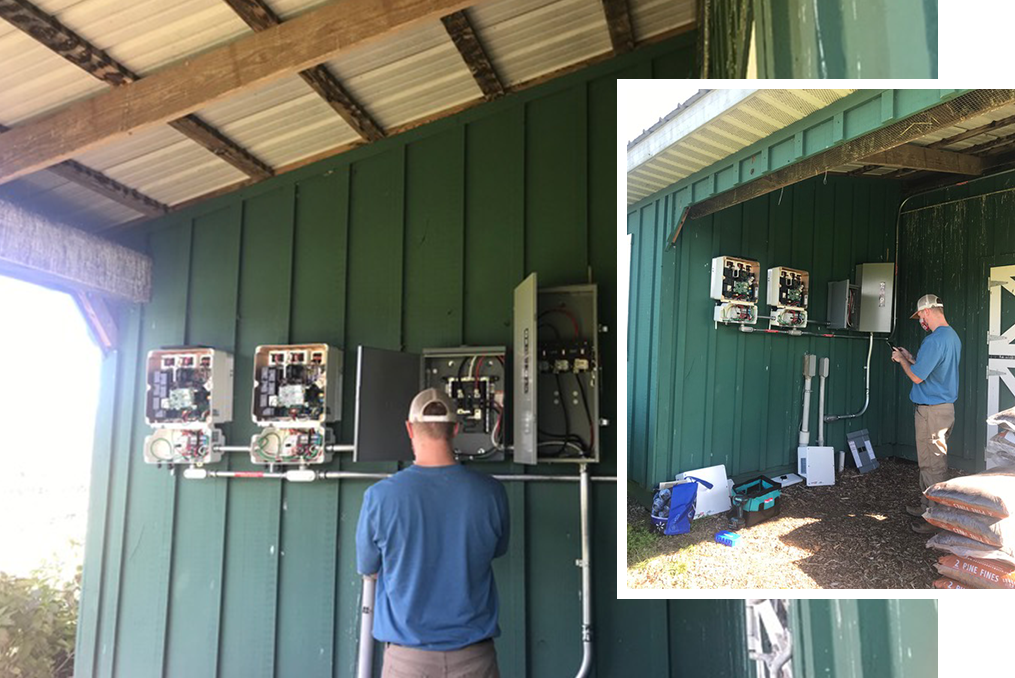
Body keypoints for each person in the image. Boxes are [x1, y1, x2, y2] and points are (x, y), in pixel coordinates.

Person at [356, 387, 510, 678]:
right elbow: (496, 550)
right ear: (456, 428)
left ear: (409, 429)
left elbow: (369, 568)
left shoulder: (380, 497)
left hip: (407, 661)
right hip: (475, 659)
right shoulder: (492, 493)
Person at [892, 294, 962, 535]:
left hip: (931, 412)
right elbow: (933, 370)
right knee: (932, 462)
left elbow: (917, 376)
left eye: (920, 315)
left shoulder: (933, 340)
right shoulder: (951, 337)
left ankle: (935, 518)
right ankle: (926, 506)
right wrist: (911, 358)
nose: (920, 320)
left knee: (932, 465)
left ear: (928, 311)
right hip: (944, 409)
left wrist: (900, 360)